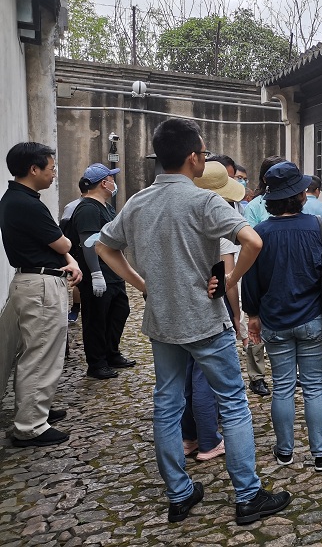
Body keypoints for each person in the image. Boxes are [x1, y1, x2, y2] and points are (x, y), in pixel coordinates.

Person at [95, 118, 291, 525]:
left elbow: (104, 246)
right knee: (233, 403)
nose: (203, 158)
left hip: (162, 321)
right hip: (204, 320)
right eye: (202, 152)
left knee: (167, 405)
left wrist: (142, 284)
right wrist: (231, 281)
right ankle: (248, 495)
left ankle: (179, 493)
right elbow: (253, 240)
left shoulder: (137, 202)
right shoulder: (204, 201)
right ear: (192, 158)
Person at [242, 162, 322, 472]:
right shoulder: (319, 227)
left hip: (275, 320)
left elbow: (250, 281)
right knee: (314, 386)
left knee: (283, 387)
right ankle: (321, 453)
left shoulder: (260, 233)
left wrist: (253, 315)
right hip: (314, 318)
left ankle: (284, 451)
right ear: (301, 195)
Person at [0, 142, 82, 447]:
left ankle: (36, 410)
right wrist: (69, 253)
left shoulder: (15, 199)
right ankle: (30, 426)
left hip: (32, 281)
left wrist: (69, 259)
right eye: (51, 168)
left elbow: (57, 247)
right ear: (33, 169)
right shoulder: (27, 204)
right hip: (40, 286)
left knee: (32, 351)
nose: (54, 173)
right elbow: (62, 244)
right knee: (41, 354)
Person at [181, 161, 249, 462]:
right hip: (209, 306)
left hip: (178, 305)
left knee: (184, 377)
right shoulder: (218, 221)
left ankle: (189, 437)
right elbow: (226, 277)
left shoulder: (182, 215)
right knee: (206, 378)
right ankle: (209, 440)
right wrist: (236, 315)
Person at [69, 163, 135, 380]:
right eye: (111, 179)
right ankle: (96, 363)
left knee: (119, 311)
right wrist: (96, 273)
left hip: (113, 272)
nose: (114, 183)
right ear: (103, 183)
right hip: (97, 273)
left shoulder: (106, 207)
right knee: (96, 319)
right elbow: (88, 243)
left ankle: (111, 353)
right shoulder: (88, 208)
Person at [242, 154, 286, 397]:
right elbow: (248, 241)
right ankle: (257, 376)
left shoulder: (295, 202)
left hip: (286, 271)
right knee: (255, 322)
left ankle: (288, 371)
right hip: (260, 270)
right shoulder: (255, 206)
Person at [60, 182, 88, 324]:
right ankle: (76, 309)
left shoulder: (105, 207)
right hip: (78, 250)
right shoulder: (73, 207)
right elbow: (64, 230)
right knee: (79, 281)